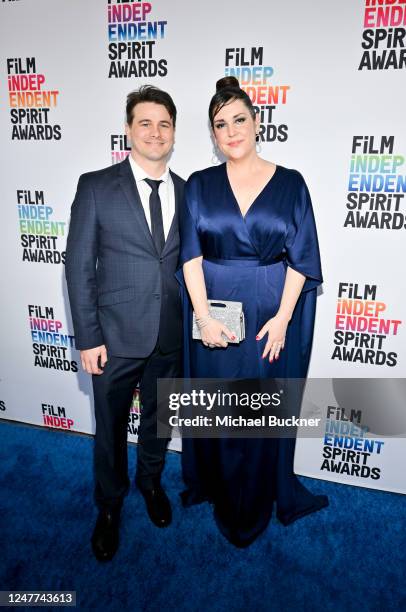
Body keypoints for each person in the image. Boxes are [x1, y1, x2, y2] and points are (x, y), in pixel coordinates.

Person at [177, 76, 328, 548]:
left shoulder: (291, 183)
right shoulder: (199, 185)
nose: (231, 131)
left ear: (257, 122)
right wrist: (202, 318)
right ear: (213, 135)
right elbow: (189, 257)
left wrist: (283, 318)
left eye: (239, 119)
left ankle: (260, 494)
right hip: (213, 312)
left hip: (271, 314)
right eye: (220, 125)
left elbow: (302, 258)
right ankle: (219, 489)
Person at [65, 85, 184, 561]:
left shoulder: (190, 190)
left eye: (164, 124)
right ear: (129, 130)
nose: (155, 132)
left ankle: (151, 483)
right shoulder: (95, 185)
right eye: (145, 123)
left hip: (171, 334)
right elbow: (77, 266)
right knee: (110, 427)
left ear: (174, 132)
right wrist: (88, 336)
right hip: (113, 339)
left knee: (159, 421)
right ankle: (109, 506)